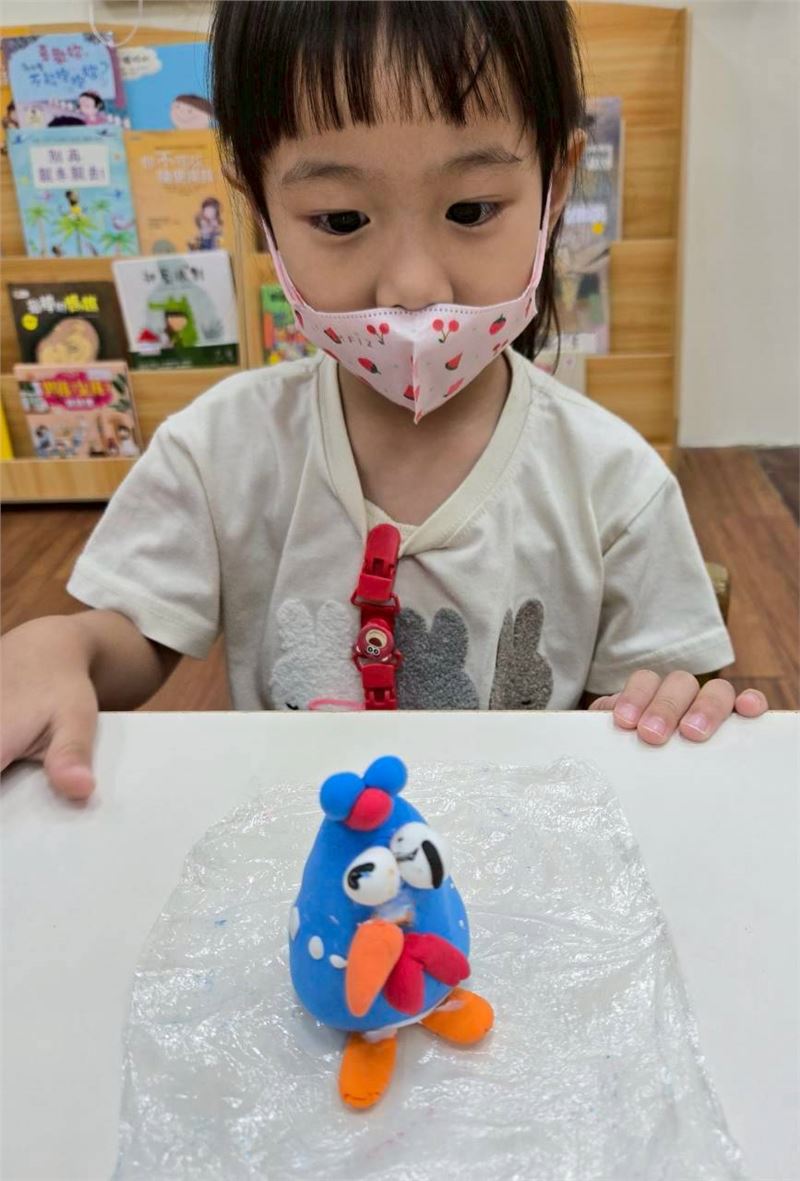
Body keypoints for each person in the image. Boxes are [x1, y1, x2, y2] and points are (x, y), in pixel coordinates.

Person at [0, 1, 767, 802]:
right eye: (340, 219)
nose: (411, 287)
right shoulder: (218, 450)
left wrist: (668, 705)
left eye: (471, 210)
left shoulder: (615, 484)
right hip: (308, 848)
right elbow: (132, 634)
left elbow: (665, 700)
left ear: (555, 187)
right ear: (258, 206)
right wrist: (64, 645)